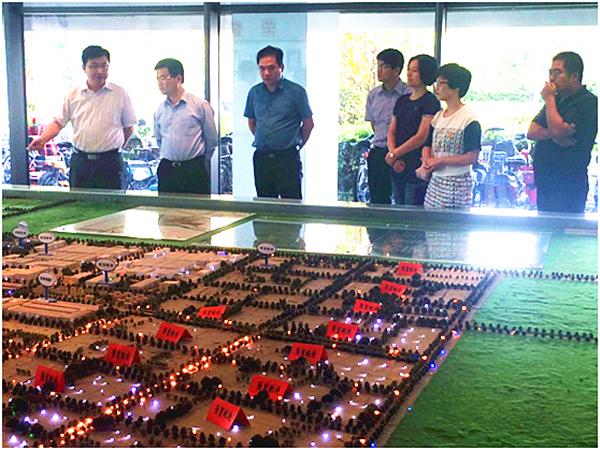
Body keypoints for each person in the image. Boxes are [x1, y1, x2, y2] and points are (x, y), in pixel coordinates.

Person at [29, 45, 136, 190]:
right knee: (78, 202)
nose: (100, 71)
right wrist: (43, 139)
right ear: (84, 68)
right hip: (81, 163)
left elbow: (129, 127)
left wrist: (116, 148)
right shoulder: (73, 94)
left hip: (111, 163)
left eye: (104, 66)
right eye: (94, 66)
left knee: (113, 202)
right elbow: (58, 123)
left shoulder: (120, 93)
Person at [527, 51, 598, 213]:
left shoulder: (588, 103)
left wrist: (549, 100)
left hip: (568, 184)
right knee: (544, 226)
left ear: (575, 76)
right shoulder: (557, 100)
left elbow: (558, 131)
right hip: (546, 181)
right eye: (550, 72)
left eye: (557, 72)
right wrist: (554, 134)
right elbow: (532, 132)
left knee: (565, 228)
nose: (551, 78)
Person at [244, 45, 314, 199]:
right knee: (265, 204)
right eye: (262, 68)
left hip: (287, 158)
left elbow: (308, 124)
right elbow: (252, 123)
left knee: (291, 204)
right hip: (262, 157)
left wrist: (296, 144)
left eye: (271, 68)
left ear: (281, 67)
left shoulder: (296, 92)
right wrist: (267, 139)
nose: (266, 73)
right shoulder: (254, 92)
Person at [417, 63, 481, 210]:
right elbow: (427, 144)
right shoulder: (438, 117)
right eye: (436, 83)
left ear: (456, 87)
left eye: (441, 83)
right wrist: (427, 161)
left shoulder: (468, 119)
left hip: (458, 184)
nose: (436, 88)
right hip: (435, 182)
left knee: (453, 223)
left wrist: (440, 161)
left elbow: (472, 157)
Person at [153, 58, 218, 195]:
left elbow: (211, 139)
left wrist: (201, 161)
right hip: (167, 169)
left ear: (178, 78)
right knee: (166, 208)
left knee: (197, 208)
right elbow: (159, 140)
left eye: (164, 78)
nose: (160, 83)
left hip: (193, 170)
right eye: (158, 79)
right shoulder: (159, 110)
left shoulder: (199, 105)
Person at [386, 54, 441, 206]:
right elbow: (391, 131)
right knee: (398, 210)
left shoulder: (430, 101)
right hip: (396, 164)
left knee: (412, 212)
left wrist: (394, 154)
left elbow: (421, 136)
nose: (409, 74)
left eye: (415, 70)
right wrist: (393, 156)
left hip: (416, 165)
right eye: (409, 70)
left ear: (425, 73)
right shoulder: (402, 100)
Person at [365, 48, 411, 205]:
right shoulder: (373, 95)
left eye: (383, 66)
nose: (378, 70)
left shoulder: (409, 94)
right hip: (379, 152)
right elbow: (374, 124)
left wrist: (395, 153)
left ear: (396, 70)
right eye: (377, 65)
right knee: (378, 201)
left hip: (403, 153)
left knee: (403, 201)